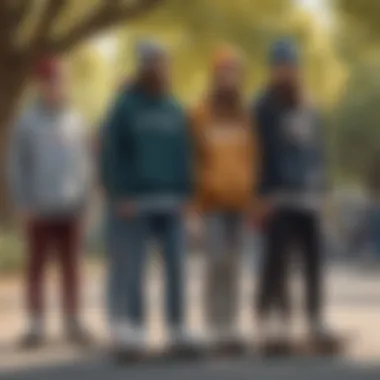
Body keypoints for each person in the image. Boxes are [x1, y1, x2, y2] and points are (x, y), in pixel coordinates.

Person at [100, 40, 194, 357]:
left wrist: (187, 194)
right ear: (142, 66)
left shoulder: (174, 107)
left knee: (177, 266)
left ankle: (177, 327)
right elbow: (113, 154)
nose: (158, 68)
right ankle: (135, 328)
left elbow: (185, 154)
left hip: (172, 200)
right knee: (135, 267)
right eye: (152, 62)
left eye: (162, 62)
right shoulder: (125, 106)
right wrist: (121, 193)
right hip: (136, 201)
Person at [253, 39, 337, 352]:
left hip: (308, 196)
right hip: (277, 196)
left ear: (297, 69)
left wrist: (322, 188)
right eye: (281, 66)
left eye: (291, 66)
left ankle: (315, 318)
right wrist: (260, 194)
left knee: (313, 261)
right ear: (273, 70)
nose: (286, 71)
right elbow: (256, 153)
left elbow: (318, 151)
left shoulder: (309, 105)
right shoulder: (262, 106)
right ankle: (276, 319)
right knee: (277, 261)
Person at [8, 57, 92, 348]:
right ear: (41, 85)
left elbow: (85, 161)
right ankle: (36, 323)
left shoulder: (76, 118)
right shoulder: (27, 121)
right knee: (36, 266)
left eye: (59, 80)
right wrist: (23, 201)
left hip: (71, 205)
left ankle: (74, 320)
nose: (56, 86)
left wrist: (86, 198)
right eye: (50, 81)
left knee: (72, 267)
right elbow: (17, 164)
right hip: (39, 206)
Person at [191, 46, 259, 354]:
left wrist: (253, 196)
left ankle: (231, 326)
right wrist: (194, 202)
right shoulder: (201, 113)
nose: (228, 78)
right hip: (212, 201)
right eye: (223, 73)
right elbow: (193, 158)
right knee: (215, 262)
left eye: (233, 73)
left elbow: (253, 157)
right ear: (215, 76)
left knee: (234, 265)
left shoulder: (246, 115)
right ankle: (213, 326)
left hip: (240, 201)